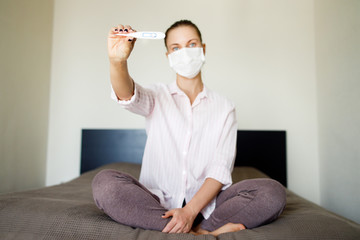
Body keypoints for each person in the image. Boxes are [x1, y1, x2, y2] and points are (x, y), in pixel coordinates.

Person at [92, 20, 286, 236]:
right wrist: (117, 62)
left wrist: (189, 212)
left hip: (208, 208)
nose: (184, 52)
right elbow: (127, 95)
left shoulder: (225, 108)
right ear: (168, 56)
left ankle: (195, 227)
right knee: (105, 184)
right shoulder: (157, 96)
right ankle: (200, 234)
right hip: (157, 203)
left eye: (191, 44)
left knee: (272, 192)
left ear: (203, 49)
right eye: (176, 48)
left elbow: (220, 169)